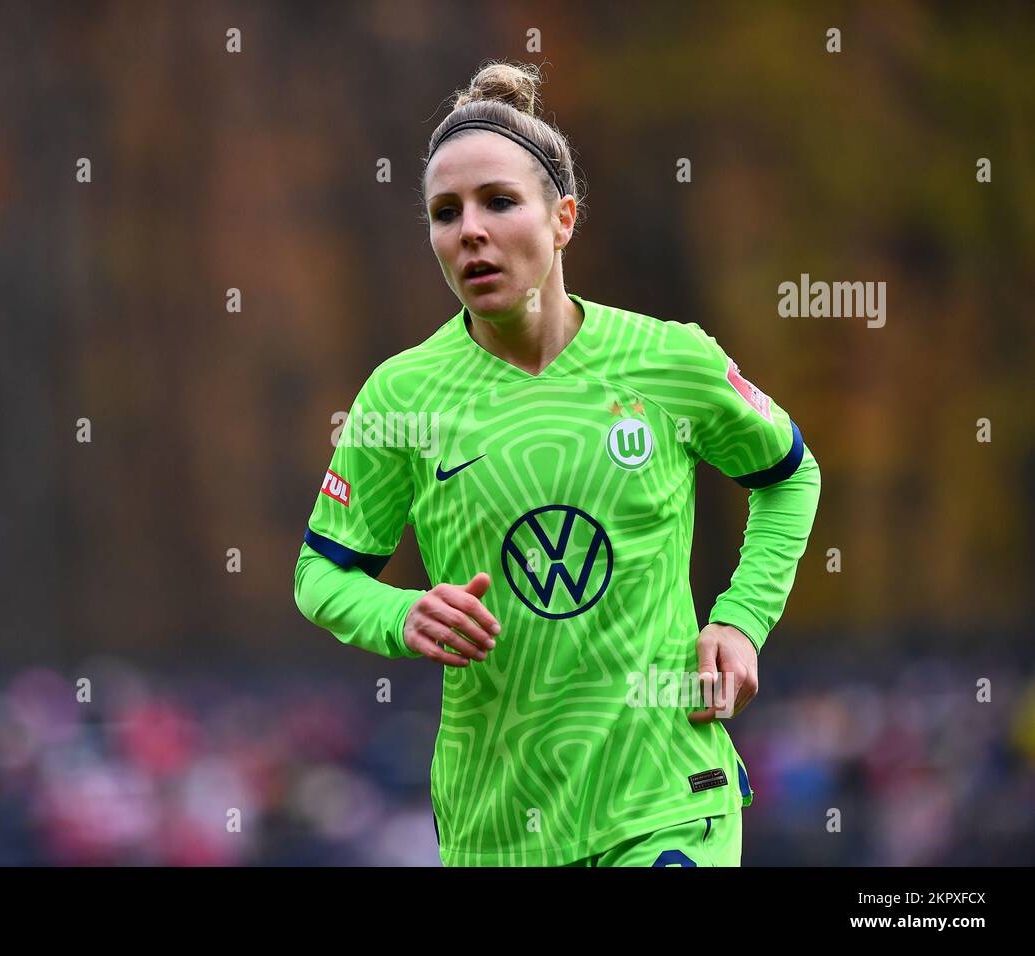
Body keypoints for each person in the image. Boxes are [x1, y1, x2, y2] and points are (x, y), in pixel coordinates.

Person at [293, 61, 820, 867]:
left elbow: (789, 475)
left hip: (668, 799)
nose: (469, 230)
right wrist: (401, 617)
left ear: (563, 218)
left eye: (498, 202)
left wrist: (741, 621)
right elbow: (320, 576)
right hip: (498, 822)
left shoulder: (667, 359)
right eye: (444, 212)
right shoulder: (401, 395)